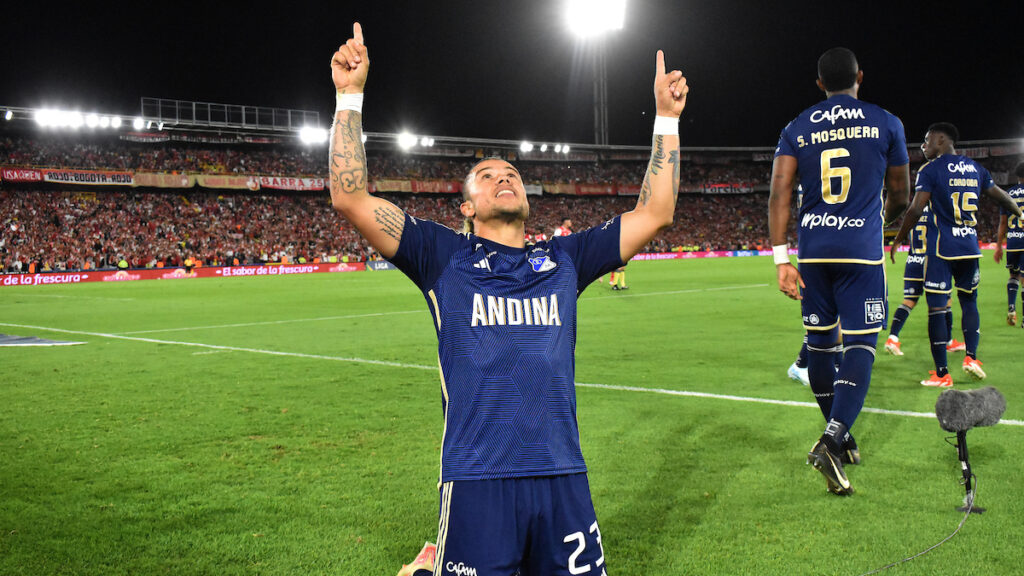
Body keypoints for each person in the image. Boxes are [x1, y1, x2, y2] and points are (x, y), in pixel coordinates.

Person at [328, 23, 687, 575]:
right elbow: (350, 197)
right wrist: (349, 97)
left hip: (561, 474)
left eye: (512, 173)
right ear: (466, 206)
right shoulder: (441, 256)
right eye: (486, 175)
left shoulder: (566, 258)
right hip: (477, 479)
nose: (504, 178)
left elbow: (655, 213)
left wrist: (666, 119)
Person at [768, 47, 910, 496]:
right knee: (863, 343)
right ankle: (830, 441)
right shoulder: (887, 121)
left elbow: (779, 193)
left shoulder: (796, 127)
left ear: (819, 84)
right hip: (860, 252)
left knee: (821, 347)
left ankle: (841, 435)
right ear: (859, 77)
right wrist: (883, 223)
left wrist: (780, 259)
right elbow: (901, 192)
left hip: (812, 251)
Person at [890, 123, 1023, 387]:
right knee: (969, 302)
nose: (924, 146)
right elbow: (1005, 199)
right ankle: (971, 358)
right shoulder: (977, 169)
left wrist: (899, 237)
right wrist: (1020, 214)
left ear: (941, 140)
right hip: (970, 248)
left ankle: (942, 374)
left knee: (937, 310)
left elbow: (916, 209)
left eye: (927, 140)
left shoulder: (931, 170)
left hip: (942, 250)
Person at [993, 162, 1024, 327]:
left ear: (1017, 176)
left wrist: (998, 246)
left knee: (1013, 276)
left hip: (1013, 241)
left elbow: (1003, 222)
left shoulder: (1009, 193)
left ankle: (1011, 309)